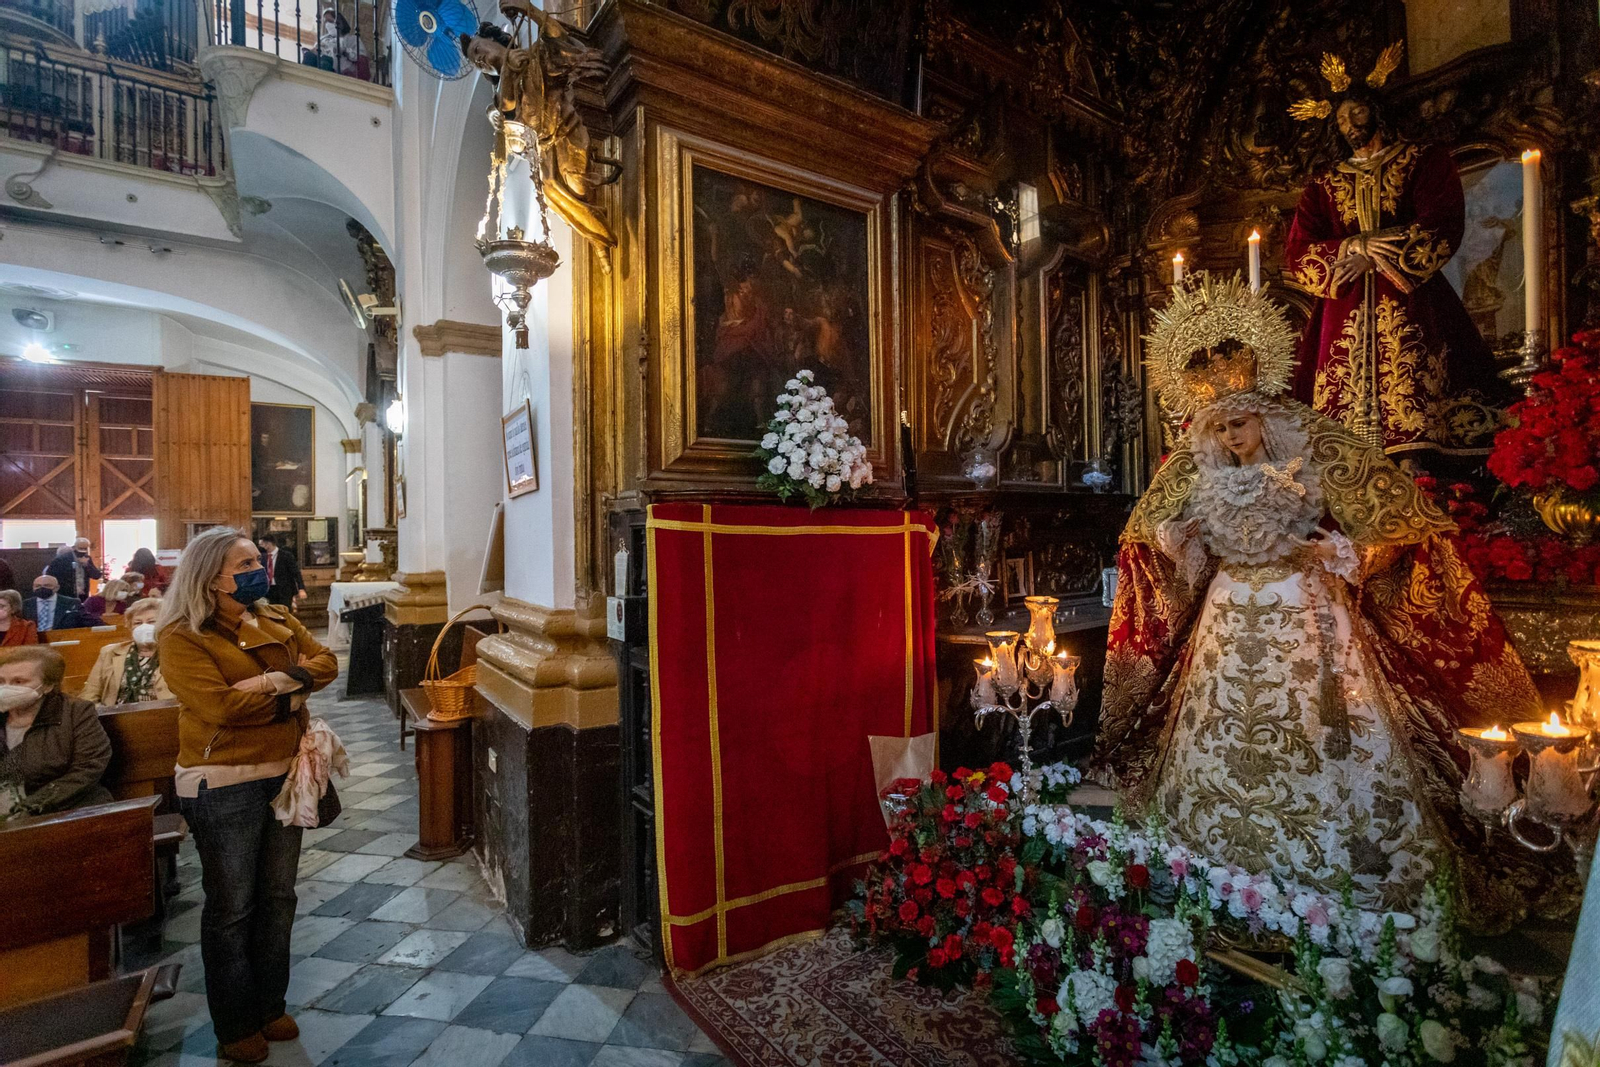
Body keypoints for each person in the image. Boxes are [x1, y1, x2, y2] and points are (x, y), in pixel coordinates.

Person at [1093, 272, 1564, 931]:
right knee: (1223, 725)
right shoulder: (1197, 465)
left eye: (1239, 421)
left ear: (1263, 407)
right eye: (1219, 425)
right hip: (1227, 616)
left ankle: (1336, 858)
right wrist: (1181, 542)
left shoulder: (1315, 447)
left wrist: (1342, 553)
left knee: (1320, 728)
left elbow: (1393, 523)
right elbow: (1153, 536)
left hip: (1305, 610)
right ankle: (1218, 847)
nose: (1230, 436)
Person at [156, 526, 337, 1064]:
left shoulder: (274, 616)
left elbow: (326, 662)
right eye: (245, 564)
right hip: (222, 781)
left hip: (285, 772)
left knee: (279, 898)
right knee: (234, 905)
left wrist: (267, 684)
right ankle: (236, 1023)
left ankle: (269, 1005)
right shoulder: (183, 635)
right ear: (212, 577)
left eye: (257, 560)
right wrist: (293, 690)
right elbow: (220, 708)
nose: (259, 569)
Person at [1284, 42, 1504, 457]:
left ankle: (1418, 464)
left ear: (1376, 111)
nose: (1350, 124)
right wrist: (1354, 245)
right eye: (1341, 119)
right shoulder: (1324, 184)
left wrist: (1376, 254)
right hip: (1344, 303)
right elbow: (1298, 249)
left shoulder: (1421, 160)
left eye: (1357, 113)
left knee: (1417, 370)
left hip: (1408, 293)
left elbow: (1442, 219)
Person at [0, 645, 113, 816]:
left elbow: (88, 767)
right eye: (1, 681)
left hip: (58, 809)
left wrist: (31, 806)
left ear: (48, 685)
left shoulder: (76, 712)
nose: (6, 688)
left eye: (19, 682)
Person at [81, 598, 170, 706]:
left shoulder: (177, 653)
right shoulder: (109, 652)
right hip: (115, 714)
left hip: (165, 714)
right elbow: (90, 694)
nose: (144, 627)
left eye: (151, 622)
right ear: (130, 627)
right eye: (138, 623)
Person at [258, 534, 306, 609]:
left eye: (262, 544)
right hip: (269, 590)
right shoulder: (262, 557)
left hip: (284, 590)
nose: (260, 547)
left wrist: (301, 588)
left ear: (268, 544)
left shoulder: (286, 556)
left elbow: (296, 573)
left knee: (284, 611)